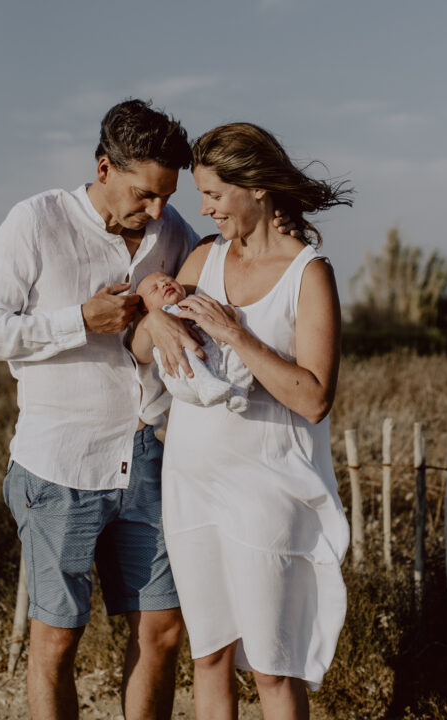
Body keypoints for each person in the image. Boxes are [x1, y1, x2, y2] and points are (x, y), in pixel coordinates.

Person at [0, 99, 297, 720]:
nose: (157, 210)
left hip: (147, 458)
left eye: (166, 196)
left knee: (164, 630)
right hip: (59, 464)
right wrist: (78, 321)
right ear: (103, 167)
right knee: (57, 640)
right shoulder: (35, 221)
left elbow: (219, 263)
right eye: (144, 194)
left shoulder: (171, 233)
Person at [132, 122, 354, 720]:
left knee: (272, 666)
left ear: (256, 188)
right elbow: (142, 347)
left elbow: (312, 397)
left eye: (214, 194)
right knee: (208, 655)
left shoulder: (309, 274)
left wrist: (236, 334)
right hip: (191, 481)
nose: (203, 208)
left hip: (267, 485)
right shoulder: (204, 256)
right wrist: (153, 322)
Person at [135, 271, 254, 412]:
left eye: (169, 280)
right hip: (186, 378)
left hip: (217, 358)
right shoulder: (163, 316)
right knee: (181, 350)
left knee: (234, 349)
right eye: (155, 289)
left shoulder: (197, 300)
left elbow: (228, 313)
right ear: (145, 311)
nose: (164, 284)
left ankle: (238, 391)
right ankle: (205, 384)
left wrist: (227, 313)